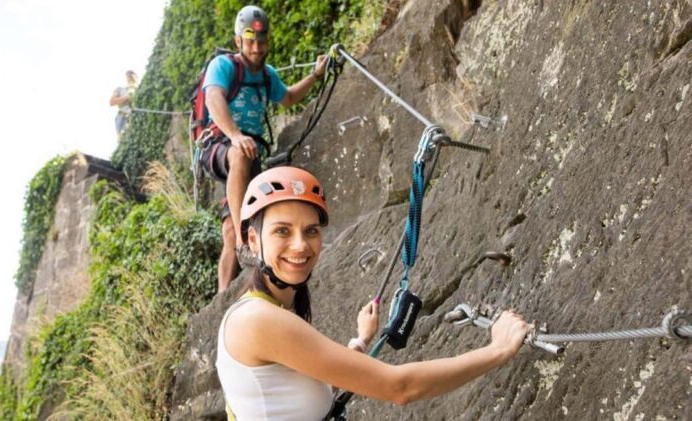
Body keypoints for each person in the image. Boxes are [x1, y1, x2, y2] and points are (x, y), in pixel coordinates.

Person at [216, 166, 532, 420]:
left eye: (311, 231)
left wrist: (361, 341)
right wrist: (498, 349)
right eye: (282, 231)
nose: (300, 245)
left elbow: (313, 379)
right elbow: (400, 388)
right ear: (253, 240)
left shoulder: (270, 310)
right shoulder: (257, 320)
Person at [199, 5, 329, 293]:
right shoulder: (223, 66)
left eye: (261, 41)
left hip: (250, 153)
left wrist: (315, 75)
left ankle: (222, 297)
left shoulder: (267, 76)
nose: (257, 48)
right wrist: (235, 135)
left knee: (229, 229)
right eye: (250, 42)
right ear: (238, 41)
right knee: (239, 157)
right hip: (220, 144)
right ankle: (244, 242)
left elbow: (289, 97)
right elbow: (213, 99)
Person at [110, 70, 138, 139]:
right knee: (123, 139)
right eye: (128, 75)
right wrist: (127, 97)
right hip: (123, 117)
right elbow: (112, 102)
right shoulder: (120, 89)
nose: (130, 76)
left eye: (131, 74)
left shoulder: (141, 89)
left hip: (136, 116)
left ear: (137, 77)